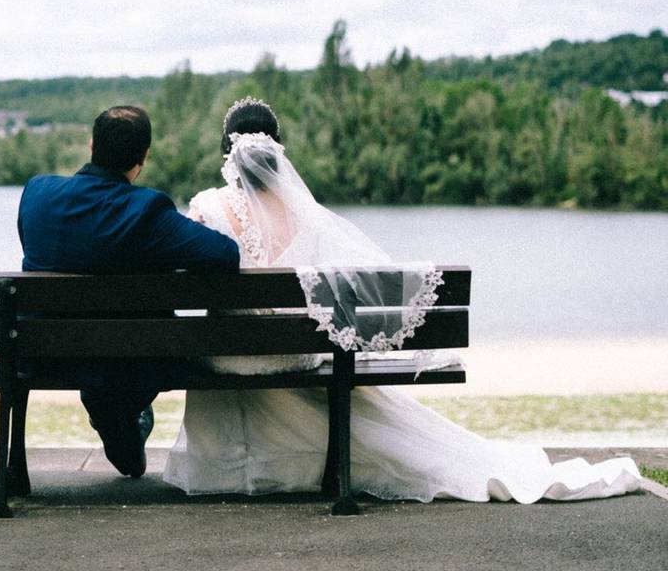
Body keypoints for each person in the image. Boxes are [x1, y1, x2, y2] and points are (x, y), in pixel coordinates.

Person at [163, 97, 642, 502]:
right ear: (278, 153)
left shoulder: (206, 206)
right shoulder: (305, 215)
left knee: (221, 340)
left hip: (229, 354)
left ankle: (231, 469)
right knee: (309, 352)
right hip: (291, 349)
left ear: (227, 152)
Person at [18, 105, 240, 478]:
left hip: (45, 352)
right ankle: (124, 417)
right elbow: (224, 255)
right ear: (143, 157)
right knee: (125, 357)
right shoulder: (146, 211)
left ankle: (117, 422)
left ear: (91, 145)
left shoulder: (37, 193)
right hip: (128, 357)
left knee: (106, 364)